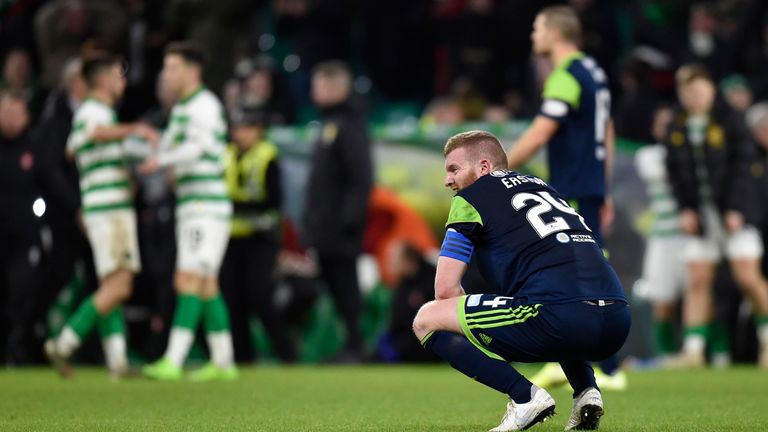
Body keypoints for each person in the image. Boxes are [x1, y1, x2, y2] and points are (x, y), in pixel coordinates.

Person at [412, 130, 629, 431]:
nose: (448, 180)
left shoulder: (470, 198)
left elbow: (445, 289)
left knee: (426, 319)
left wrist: (474, 334)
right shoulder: (545, 188)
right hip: (617, 320)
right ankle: (586, 393)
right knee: (549, 299)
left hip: (561, 317)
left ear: (484, 168)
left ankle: (524, 397)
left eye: (454, 169)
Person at [505, 5, 624, 389]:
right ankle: (590, 363)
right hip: (588, 185)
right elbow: (606, 131)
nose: (532, 35)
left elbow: (542, 132)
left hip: (572, 186)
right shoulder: (593, 71)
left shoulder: (566, 76)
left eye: (537, 28)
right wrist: (603, 188)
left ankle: (602, 367)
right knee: (589, 266)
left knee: (577, 271)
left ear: (555, 34)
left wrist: (496, 168)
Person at [44, 52, 158, 378]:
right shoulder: (94, 112)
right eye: (118, 75)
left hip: (103, 206)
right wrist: (136, 129)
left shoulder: (95, 113)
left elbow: (73, 147)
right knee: (120, 287)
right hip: (110, 211)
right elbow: (95, 134)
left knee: (111, 285)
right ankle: (64, 343)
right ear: (104, 79)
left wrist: (122, 172)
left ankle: (117, 361)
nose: (122, 81)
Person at [140, 41, 237, 381]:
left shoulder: (204, 106)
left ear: (193, 70)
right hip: (192, 204)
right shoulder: (183, 108)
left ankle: (174, 359)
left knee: (188, 279)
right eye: (166, 68)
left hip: (204, 206)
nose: (167, 75)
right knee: (207, 285)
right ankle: (224, 363)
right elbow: (175, 146)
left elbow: (197, 149)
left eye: (173, 68)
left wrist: (161, 160)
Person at [664, 64, 768, 369]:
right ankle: (693, 350)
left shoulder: (730, 120)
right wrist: (685, 208)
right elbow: (675, 172)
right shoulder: (678, 125)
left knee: (748, 277)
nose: (692, 98)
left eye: (697, 91)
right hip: (702, 218)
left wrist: (737, 208)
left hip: (735, 215)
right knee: (697, 278)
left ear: (711, 88)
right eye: (686, 92)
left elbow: (744, 169)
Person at [303, 61, 373, 361]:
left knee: (345, 284)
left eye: (318, 84)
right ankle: (350, 343)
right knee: (334, 283)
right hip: (325, 224)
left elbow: (361, 176)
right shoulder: (329, 123)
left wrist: (349, 219)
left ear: (336, 87)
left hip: (340, 226)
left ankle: (356, 345)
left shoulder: (349, 125)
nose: (312, 91)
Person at [220, 108, 297, 363]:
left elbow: (274, 201)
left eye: (246, 127)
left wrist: (234, 206)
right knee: (232, 299)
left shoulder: (267, 156)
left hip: (260, 238)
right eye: (237, 128)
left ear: (258, 130)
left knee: (261, 296)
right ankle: (243, 357)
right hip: (231, 239)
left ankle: (287, 355)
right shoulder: (226, 155)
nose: (240, 134)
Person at [0, 92, 44, 364]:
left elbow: (47, 184)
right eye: (6, 112)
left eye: (18, 113)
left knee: (21, 291)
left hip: (24, 233)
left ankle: (16, 344)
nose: (12, 119)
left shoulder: (34, 147)